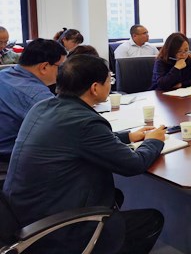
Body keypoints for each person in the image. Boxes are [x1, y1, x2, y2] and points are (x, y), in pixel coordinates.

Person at [3, 54, 166, 254]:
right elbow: (134, 164)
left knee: (116, 195)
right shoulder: (85, 122)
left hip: (24, 213)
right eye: (109, 80)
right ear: (95, 88)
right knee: (151, 220)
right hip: (54, 229)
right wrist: (154, 141)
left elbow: (81, 141)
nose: (111, 84)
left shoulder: (44, 107)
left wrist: (129, 136)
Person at [0, 39, 67, 164]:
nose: (62, 72)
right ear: (44, 67)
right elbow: (65, 131)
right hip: (10, 161)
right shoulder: (37, 96)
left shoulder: (3, 75)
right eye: (60, 67)